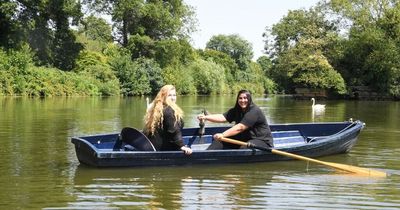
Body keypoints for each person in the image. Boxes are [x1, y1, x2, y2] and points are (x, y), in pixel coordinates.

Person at [197, 89, 273, 150]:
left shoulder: (254, 111)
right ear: (237, 99)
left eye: (245, 98)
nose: (243, 100)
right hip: (244, 138)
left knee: (244, 148)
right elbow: (223, 117)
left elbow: (240, 127)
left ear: (249, 99)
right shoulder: (237, 110)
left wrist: (222, 134)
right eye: (240, 98)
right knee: (220, 140)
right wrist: (206, 117)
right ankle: (206, 155)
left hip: (261, 141)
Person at [143, 85, 192, 155]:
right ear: (163, 96)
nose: (173, 98)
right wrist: (182, 146)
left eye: (174, 95)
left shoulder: (156, 109)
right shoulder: (169, 111)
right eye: (169, 95)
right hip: (164, 148)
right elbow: (174, 130)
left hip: (153, 146)